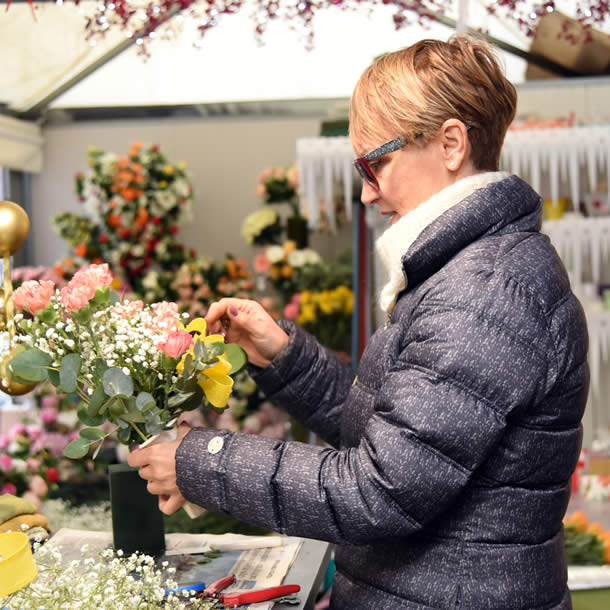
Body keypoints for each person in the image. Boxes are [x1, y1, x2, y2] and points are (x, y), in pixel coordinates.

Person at [129, 35, 588, 609]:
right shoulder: (471, 270)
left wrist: (199, 461)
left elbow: (378, 490)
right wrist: (284, 357)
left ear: (450, 143)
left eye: (376, 164)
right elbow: (401, 439)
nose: (368, 193)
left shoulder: (483, 289)